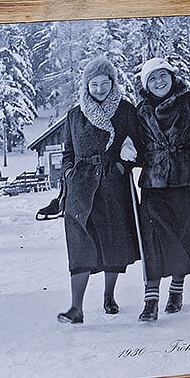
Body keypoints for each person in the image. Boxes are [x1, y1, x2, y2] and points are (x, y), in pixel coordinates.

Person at [130, 57, 190, 321]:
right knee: (153, 240)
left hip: (188, 181)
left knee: (184, 238)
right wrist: (128, 151)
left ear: (172, 77)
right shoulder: (142, 112)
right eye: (152, 79)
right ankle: (150, 300)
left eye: (163, 76)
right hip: (154, 185)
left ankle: (177, 288)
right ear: (146, 84)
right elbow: (138, 150)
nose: (159, 82)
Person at [54, 54, 141, 324]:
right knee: (79, 244)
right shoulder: (74, 115)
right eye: (94, 84)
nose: (100, 89)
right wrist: (69, 172)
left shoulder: (125, 110)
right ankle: (76, 308)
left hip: (114, 185)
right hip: (81, 188)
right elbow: (67, 153)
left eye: (105, 83)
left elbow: (138, 147)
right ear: (86, 86)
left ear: (112, 84)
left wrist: (122, 166)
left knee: (113, 243)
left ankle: (109, 296)